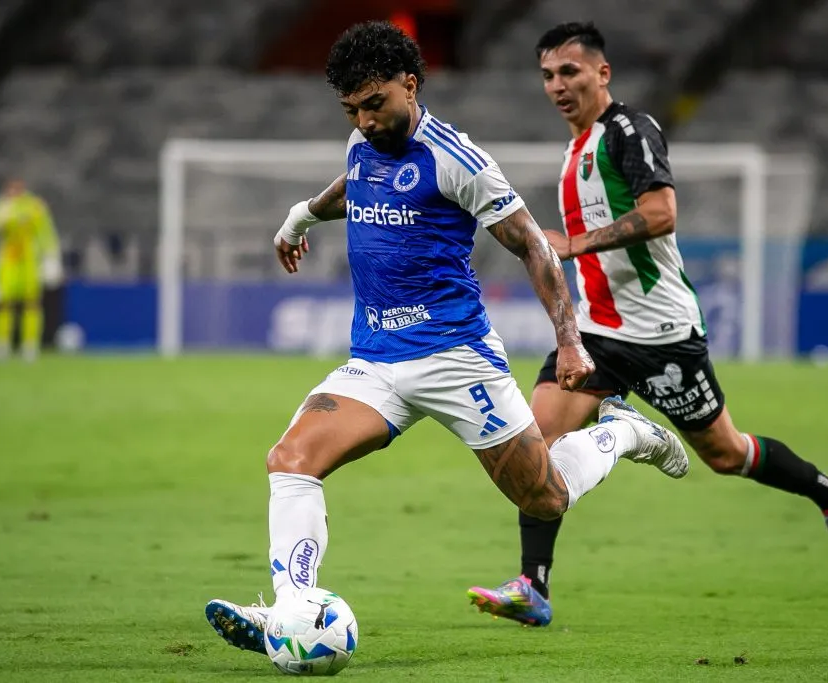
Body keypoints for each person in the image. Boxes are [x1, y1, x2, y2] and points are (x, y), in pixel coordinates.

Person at [203, 20, 689, 655]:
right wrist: (301, 217)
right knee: (291, 460)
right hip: (376, 361)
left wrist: (570, 341)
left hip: (456, 358)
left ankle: (622, 432)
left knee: (544, 497)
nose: (365, 121)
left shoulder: (457, 160)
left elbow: (533, 246)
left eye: (375, 103)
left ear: (410, 85)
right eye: (351, 110)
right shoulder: (362, 140)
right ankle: (292, 613)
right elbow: (355, 182)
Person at [466, 22, 828, 627]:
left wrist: (574, 245)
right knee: (537, 441)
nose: (557, 85)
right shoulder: (575, 151)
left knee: (726, 453)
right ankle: (533, 584)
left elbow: (661, 212)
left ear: (602, 73)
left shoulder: (629, 131)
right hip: (597, 332)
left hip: (661, 335)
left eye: (570, 71)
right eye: (548, 75)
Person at [0, 178, 61, 360]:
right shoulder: (1, 207)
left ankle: (30, 346)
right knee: (3, 304)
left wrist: (51, 258)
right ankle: (2, 345)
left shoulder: (34, 207)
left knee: (32, 304)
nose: (13, 193)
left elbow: (46, 232)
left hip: (29, 262)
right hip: (7, 263)